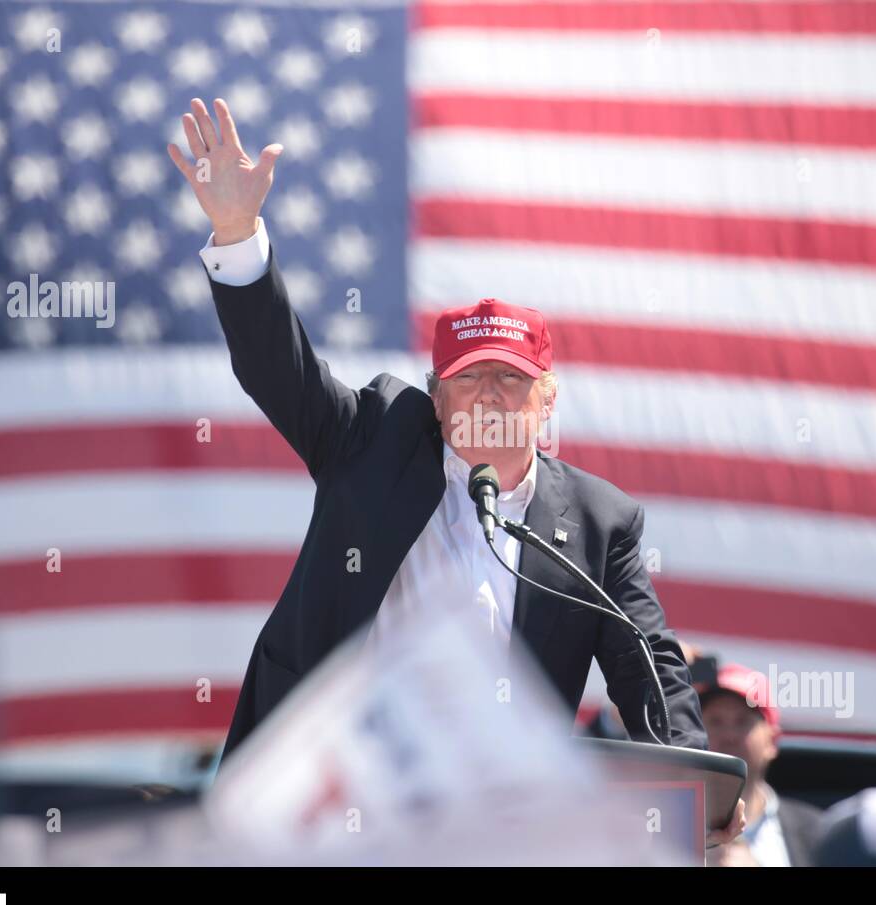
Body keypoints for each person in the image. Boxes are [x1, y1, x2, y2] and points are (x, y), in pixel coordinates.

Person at [166, 98, 744, 844]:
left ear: (548, 398)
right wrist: (238, 235)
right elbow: (281, 370)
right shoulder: (369, 439)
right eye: (470, 379)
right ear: (437, 398)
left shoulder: (601, 523)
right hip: (328, 810)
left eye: (511, 378)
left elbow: (649, 663)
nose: (491, 395)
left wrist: (687, 781)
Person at [694, 663, 821, 865]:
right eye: (715, 721)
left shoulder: (818, 832)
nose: (729, 736)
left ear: (772, 740)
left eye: (742, 721)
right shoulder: (661, 826)